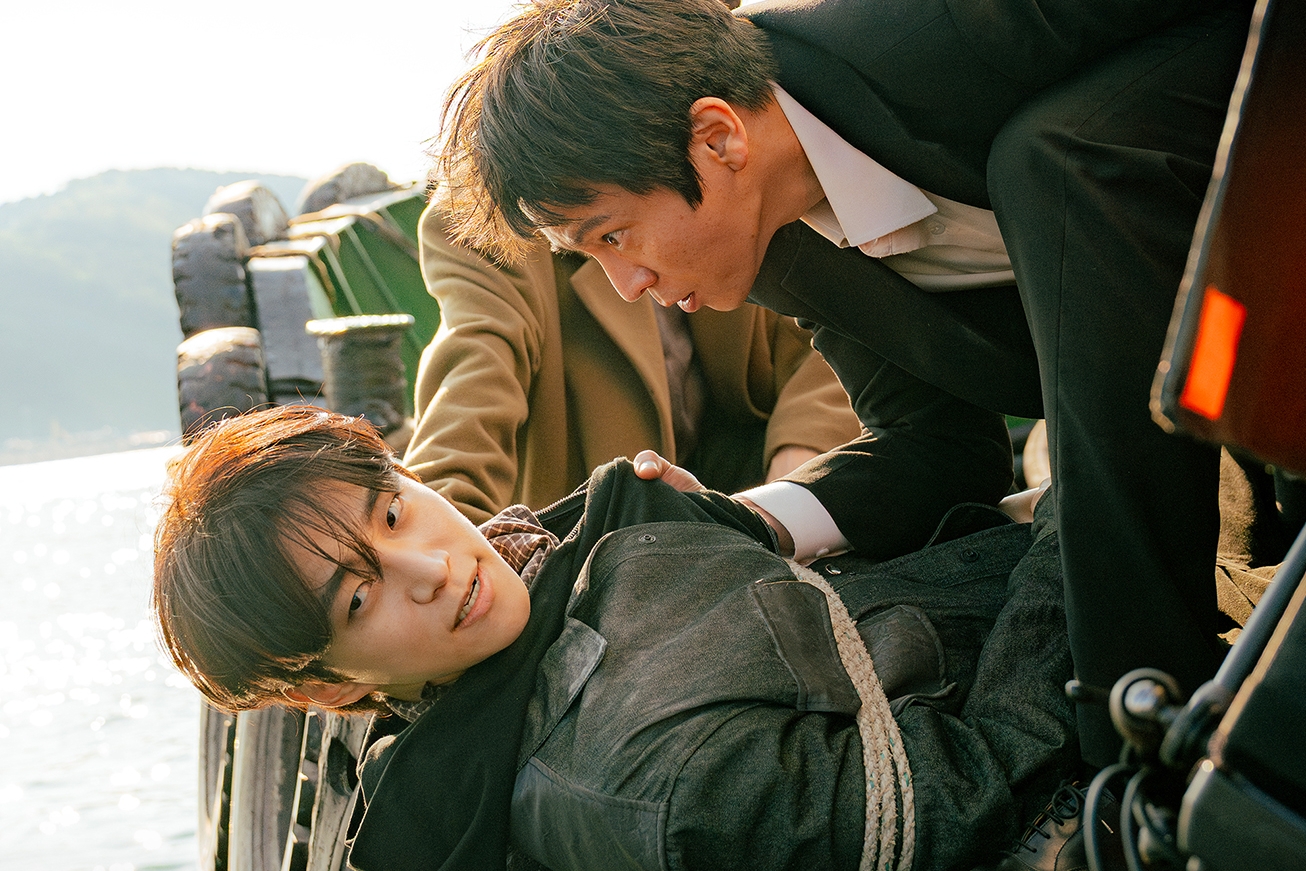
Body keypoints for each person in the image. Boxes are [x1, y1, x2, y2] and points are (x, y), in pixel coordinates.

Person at [432, 0, 1253, 792]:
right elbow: (939, 443)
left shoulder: (967, 22)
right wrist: (737, 521)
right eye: (589, 255)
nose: (627, 283)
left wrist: (1128, 759)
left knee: (1053, 160)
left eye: (614, 234)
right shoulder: (780, 246)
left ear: (718, 138)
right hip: (1230, 412)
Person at [153, 405, 1077, 871]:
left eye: (393, 511)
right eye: (360, 599)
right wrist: (1084, 517)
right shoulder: (637, 777)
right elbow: (962, 792)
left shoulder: (566, 554)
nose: (427, 566)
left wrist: (729, 523)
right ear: (327, 689)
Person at [403, 204, 860, 523]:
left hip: (754, 473)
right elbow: (474, 375)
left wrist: (787, 482)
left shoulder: (706, 171)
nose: (629, 287)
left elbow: (827, 333)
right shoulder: (484, 226)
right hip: (610, 535)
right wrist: (440, 528)